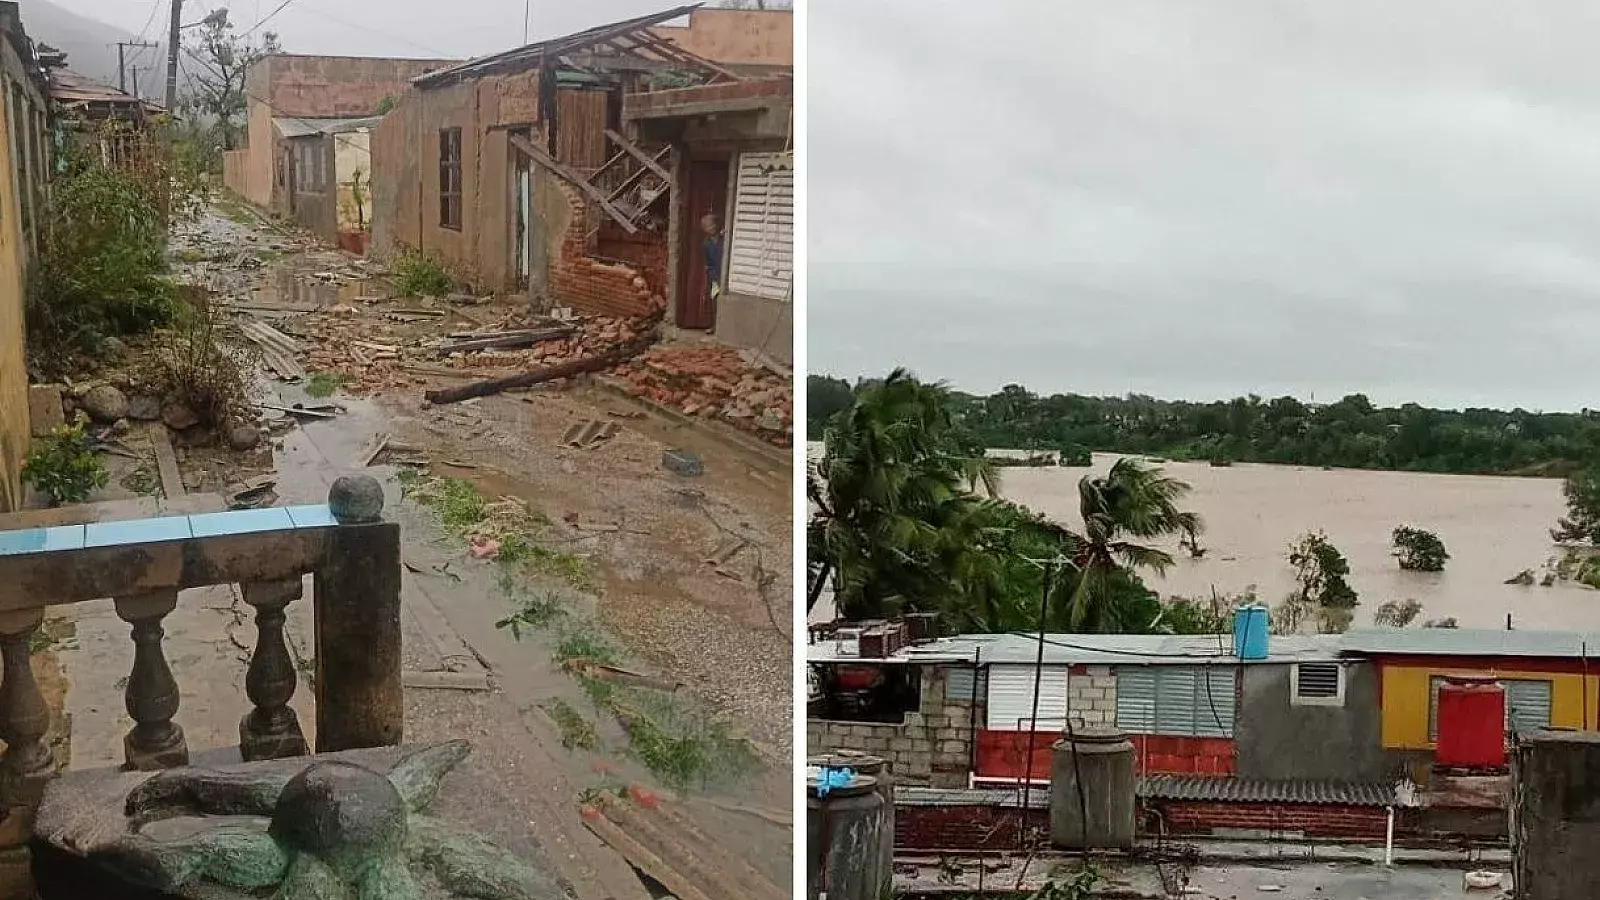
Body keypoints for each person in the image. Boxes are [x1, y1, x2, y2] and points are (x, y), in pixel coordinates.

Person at [701, 212, 723, 332]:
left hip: (724, 273)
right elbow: (707, 262)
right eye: (707, 227)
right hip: (713, 274)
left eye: (712, 225)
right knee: (714, 301)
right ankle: (714, 325)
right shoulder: (706, 243)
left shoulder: (724, 238)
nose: (710, 228)